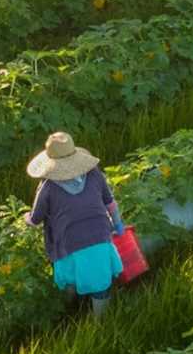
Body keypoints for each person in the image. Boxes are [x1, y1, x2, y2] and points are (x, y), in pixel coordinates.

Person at [26, 131, 125, 317]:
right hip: (100, 237)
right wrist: (118, 225)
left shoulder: (47, 187)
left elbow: (35, 219)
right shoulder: (94, 174)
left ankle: (73, 308)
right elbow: (110, 203)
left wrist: (26, 219)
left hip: (68, 243)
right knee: (100, 281)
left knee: (71, 278)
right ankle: (101, 321)